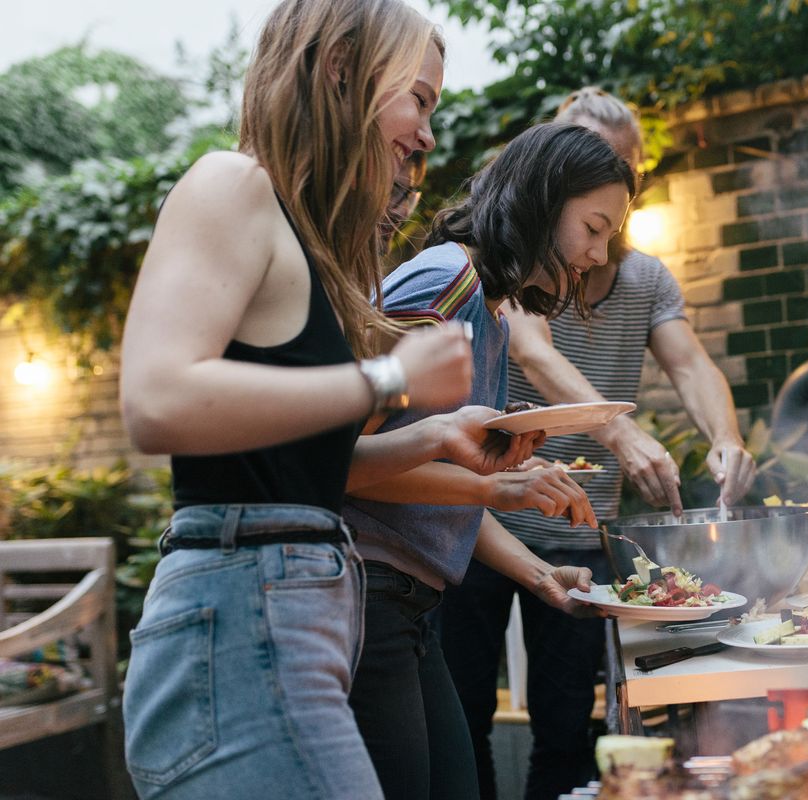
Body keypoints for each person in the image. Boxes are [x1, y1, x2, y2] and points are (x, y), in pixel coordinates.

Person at [115, 1, 550, 796]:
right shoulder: (232, 183)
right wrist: (389, 379)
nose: (426, 135)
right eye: (418, 99)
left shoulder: (304, 243)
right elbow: (155, 397)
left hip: (293, 618)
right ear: (342, 67)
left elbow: (292, 469)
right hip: (241, 617)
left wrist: (437, 434)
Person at [439, 87, 758, 800]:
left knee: (565, 725)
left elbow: (692, 364)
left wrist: (727, 438)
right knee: (462, 718)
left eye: (622, 168)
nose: (608, 183)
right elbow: (536, 349)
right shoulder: (514, 271)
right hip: (476, 519)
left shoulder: (643, 277)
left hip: (577, 533)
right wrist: (619, 429)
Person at [342, 120, 637, 800]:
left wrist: (539, 575)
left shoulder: (490, 307)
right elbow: (344, 464)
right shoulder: (445, 284)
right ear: (542, 198)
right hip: (367, 597)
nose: (597, 253)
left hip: (408, 607)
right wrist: (500, 489)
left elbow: (431, 486)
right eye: (592, 227)